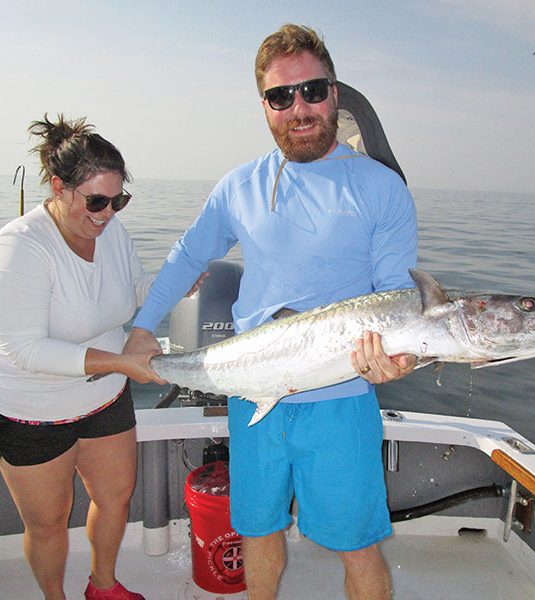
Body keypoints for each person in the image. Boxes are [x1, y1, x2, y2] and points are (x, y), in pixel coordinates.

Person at [127, 24, 418, 600]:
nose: (298, 108)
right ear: (264, 105)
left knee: (357, 546)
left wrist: (400, 356)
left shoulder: (381, 188)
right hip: (251, 398)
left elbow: (396, 296)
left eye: (311, 90)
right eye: (280, 96)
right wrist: (141, 331)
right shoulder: (240, 186)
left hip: (340, 400)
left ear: (335, 92)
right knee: (258, 532)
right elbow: (188, 255)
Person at [0, 115, 167, 600]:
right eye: (96, 200)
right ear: (59, 187)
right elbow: (25, 348)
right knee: (49, 524)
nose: (108, 213)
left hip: (105, 399)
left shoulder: (111, 230)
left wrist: (175, 284)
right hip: (33, 412)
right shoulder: (21, 246)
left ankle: (103, 585)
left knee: (114, 500)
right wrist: (122, 362)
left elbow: (137, 285)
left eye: (119, 200)